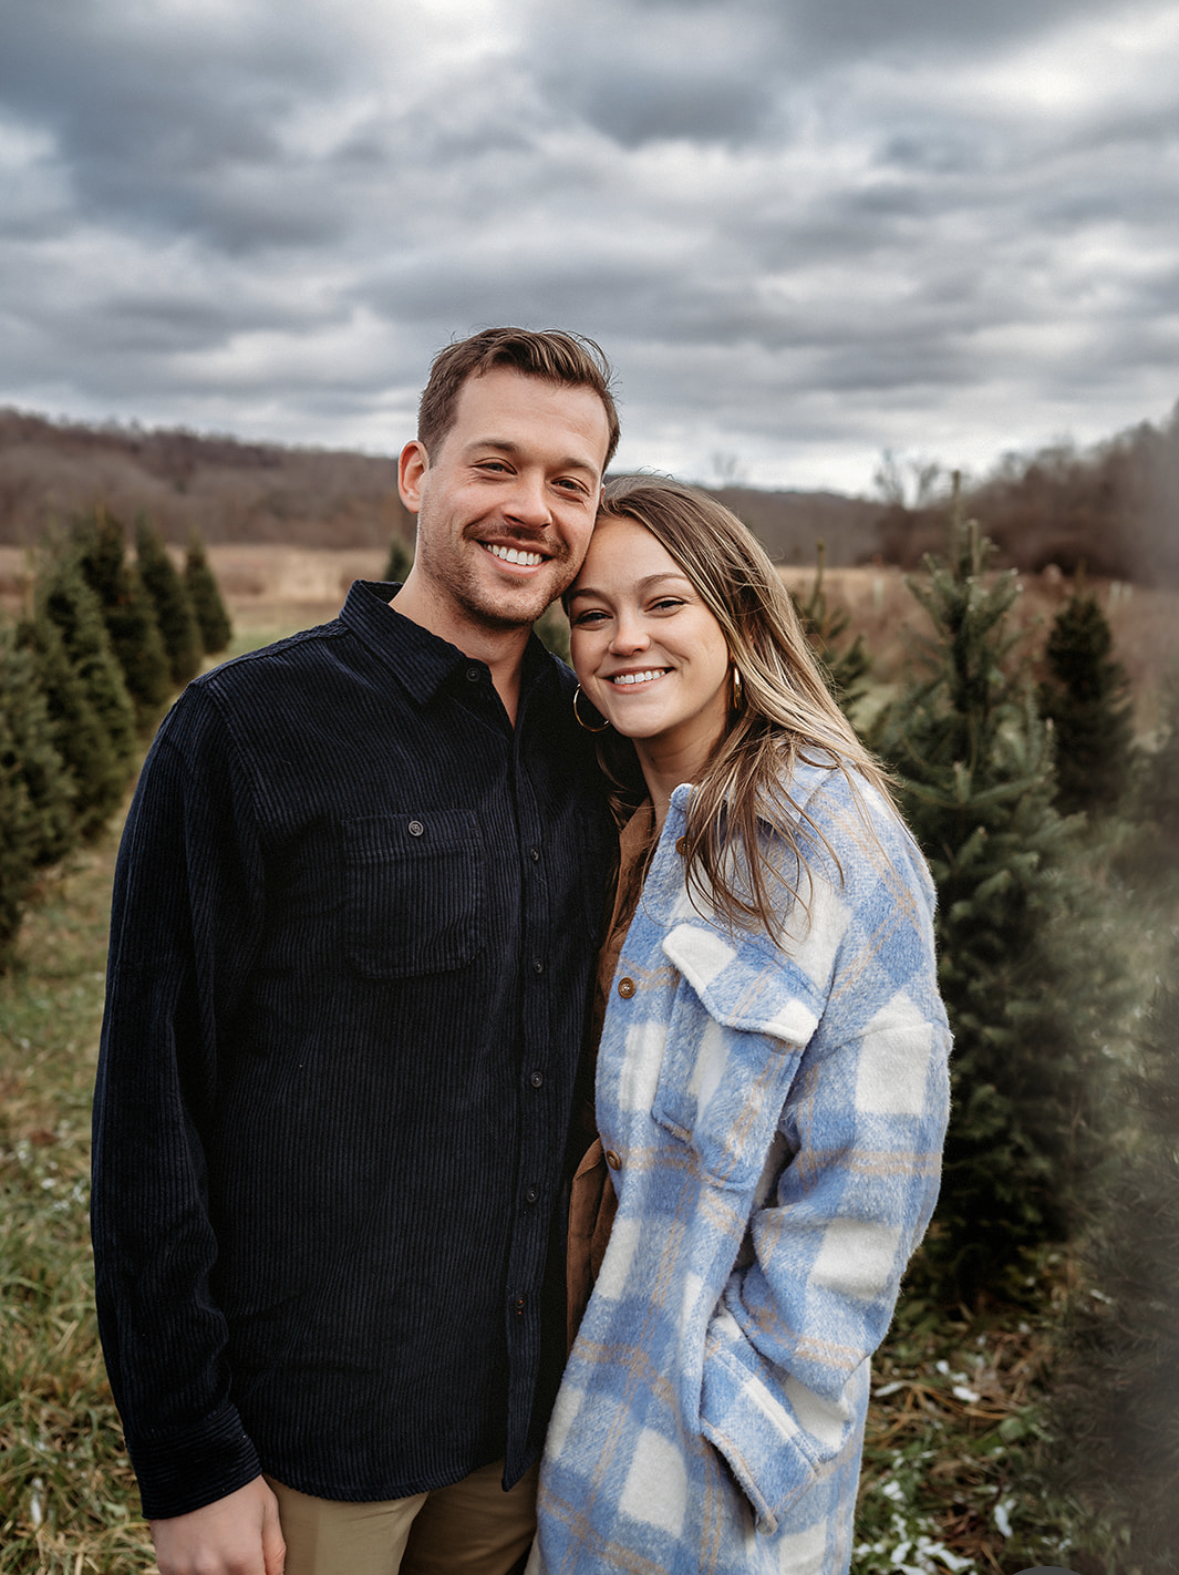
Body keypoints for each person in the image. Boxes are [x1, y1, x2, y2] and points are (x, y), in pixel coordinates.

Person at [91, 328, 622, 1575]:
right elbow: (148, 1113)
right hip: (314, 1438)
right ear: (415, 473)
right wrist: (191, 1460)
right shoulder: (248, 732)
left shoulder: (594, 740)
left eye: (571, 482)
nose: (532, 510)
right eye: (496, 465)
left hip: (522, 1430)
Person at [529, 478, 952, 1575]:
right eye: (591, 612)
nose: (625, 639)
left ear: (741, 617)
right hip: (566, 1404)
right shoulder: (600, 823)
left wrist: (752, 1425)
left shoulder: (832, 840)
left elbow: (876, 1172)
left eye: (665, 604)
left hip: (706, 1457)